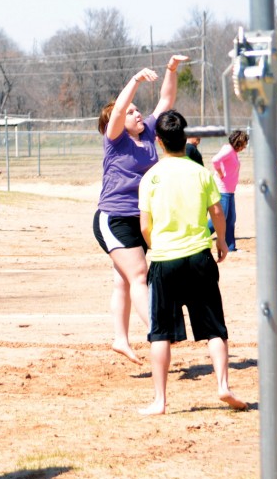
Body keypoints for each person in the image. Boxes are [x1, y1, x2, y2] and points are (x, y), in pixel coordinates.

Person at [137, 110, 246, 415]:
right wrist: (221, 241)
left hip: (164, 260)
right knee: (214, 328)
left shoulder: (150, 178)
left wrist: (155, 246)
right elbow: (218, 213)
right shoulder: (201, 173)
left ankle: (160, 400)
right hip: (199, 256)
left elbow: (145, 224)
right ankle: (223, 385)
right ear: (185, 139)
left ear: (159, 142)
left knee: (160, 333)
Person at [92, 53, 188, 366]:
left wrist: (171, 69)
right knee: (138, 275)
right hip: (113, 217)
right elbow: (119, 109)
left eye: (137, 110)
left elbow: (167, 99)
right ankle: (158, 331)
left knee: (123, 280)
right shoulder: (115, 139)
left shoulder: (147, 131)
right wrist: (134, 80)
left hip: (140, 217)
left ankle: (119, 338)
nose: (137, 113)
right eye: (132, 111)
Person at [209, 129, 248, 252]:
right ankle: (200, 236)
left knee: (231, 218)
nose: (245, 147)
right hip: (222, 190)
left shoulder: (233, 152)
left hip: (230, 191)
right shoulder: (228, 149)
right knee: (221, 216)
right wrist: (220, 173)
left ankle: (231, 247)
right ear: (239, 142)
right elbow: (215, 160)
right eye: (244, 144)